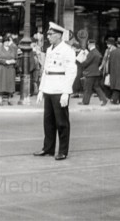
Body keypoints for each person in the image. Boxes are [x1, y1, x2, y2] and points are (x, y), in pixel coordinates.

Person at [34, 22, 77, 161]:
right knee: (48, 121)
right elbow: (46, 70)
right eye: (48, 34)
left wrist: (66, 92)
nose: (48, 37)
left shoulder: (67, 50)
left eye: (51, 34)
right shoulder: (49, 49)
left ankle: (63, 150)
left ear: (58, 35)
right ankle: (48, 148)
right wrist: (41, 89)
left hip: (60, 89)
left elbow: (71, 72)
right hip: (49, 88)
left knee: (62, 122)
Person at [78, 39, 108, 106]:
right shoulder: (97, 52)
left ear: (90, 45)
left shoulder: (92, 53)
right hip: (95, 73)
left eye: (88, 44)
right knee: (96, 87)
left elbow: (86, 62)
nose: (87, 46)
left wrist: (80, 62)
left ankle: (85, 102)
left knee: (87, 88)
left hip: (90, 73)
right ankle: (104, 100)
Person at [0, 34, 17, 106]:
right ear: (3, 42)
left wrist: (13, 61)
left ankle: (9, 100)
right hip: (2, 69)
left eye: (8, 41)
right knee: (1, 85)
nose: (7, 43)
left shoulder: (12, 49)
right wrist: (5, 61)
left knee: (9, 84)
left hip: (10, 69)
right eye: (6, 42)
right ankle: (0, 99)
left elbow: (16, 58)